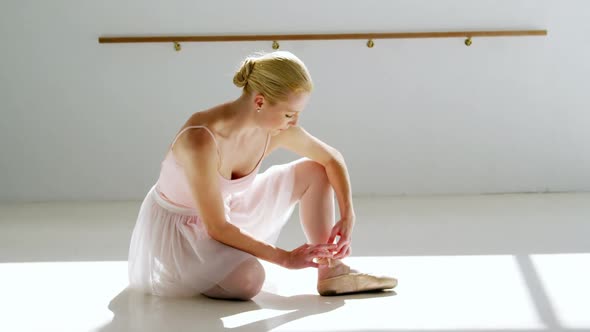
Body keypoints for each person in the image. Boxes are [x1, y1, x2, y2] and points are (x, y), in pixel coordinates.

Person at [128, 50, 397, 300]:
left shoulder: (275, 129)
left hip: (226, 210)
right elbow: (216, 227)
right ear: (259, 101)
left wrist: (348, 214)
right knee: (249, 280)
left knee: (315, 170)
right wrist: (285, 258)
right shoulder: (200, 139)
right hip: (183, 231)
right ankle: (188, 273)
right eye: (290, 114)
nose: (295, 123)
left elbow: (331, 158)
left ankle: (332, 271)